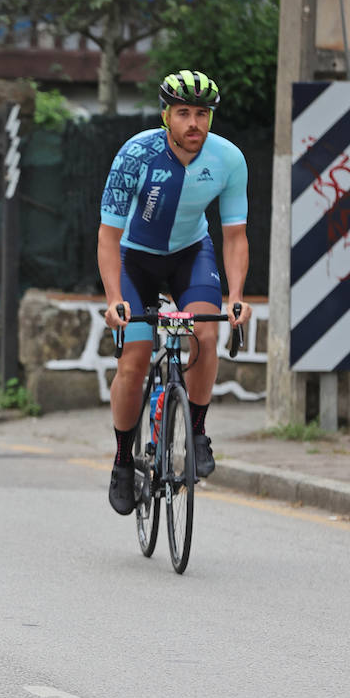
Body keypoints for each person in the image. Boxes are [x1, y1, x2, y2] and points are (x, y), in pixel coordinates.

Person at [98, 70, 254, 515]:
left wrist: (237, 296)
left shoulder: (229, 160)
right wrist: (114, 299)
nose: (193, 123)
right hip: (135, 259)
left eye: (201, 114)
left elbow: (235, 235)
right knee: (135, 357)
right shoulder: (135, 155)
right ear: (166, 115)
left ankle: (198, 431)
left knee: (205, 336)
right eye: (183, 112)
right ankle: (123, 460)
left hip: (191, 253)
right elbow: (108, 237)